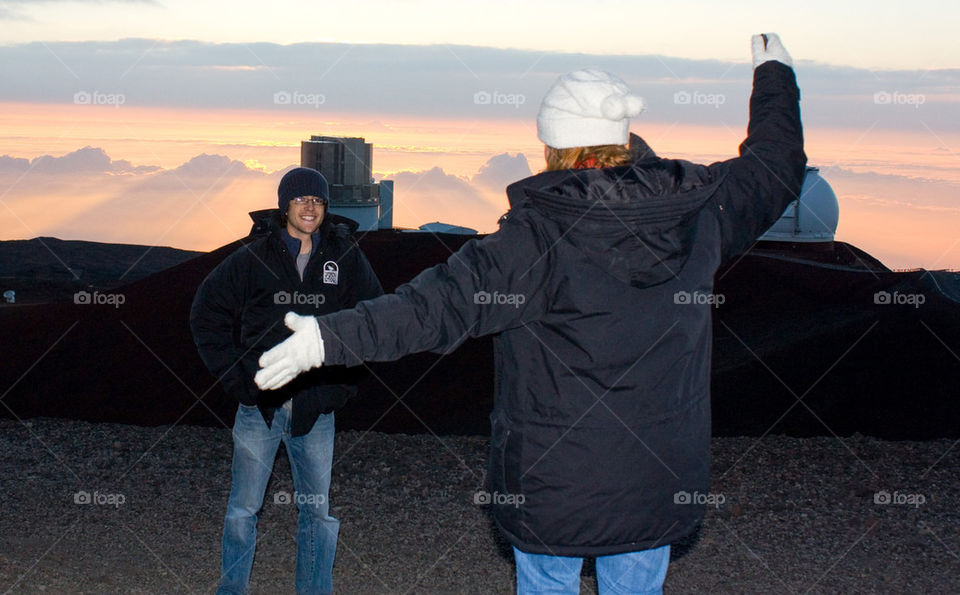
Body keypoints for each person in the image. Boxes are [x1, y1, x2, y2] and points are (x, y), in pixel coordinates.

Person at [254, 34, 804, 594]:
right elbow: (776, 166)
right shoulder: (699, 211)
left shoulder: (536, 238)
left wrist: (326, 340)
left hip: (551, 486)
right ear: (625, 140)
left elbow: (432, 306)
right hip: (656, 480)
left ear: (553, 147)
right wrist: (775, 75)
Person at [190, 167, 383, 594]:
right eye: (300, 200)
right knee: (243, 510)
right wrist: (238, 379)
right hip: (259, 408)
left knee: (318, 513)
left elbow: (372, 318)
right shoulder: (254, 257)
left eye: (316, 200)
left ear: (325, 206)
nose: (309, 207)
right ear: (285, 207)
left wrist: (341, 382)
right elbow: (207, 310)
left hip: (316, 409)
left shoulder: (345, 257)